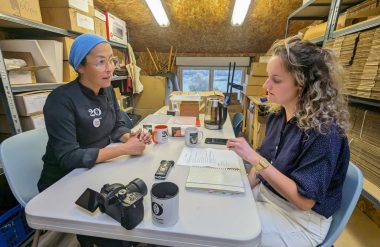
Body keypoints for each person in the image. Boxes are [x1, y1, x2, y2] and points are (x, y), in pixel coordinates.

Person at [227, 37, 350, 247]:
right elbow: (263, 165)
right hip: (270, 195)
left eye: (276, 79)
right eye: (268, 77)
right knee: (220, 204)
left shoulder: (325, 132)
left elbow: (304, 201)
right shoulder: (278, 116)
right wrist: (244, 188)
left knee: (229, 231)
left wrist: (254, 158)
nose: (266, 85)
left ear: (303, 84)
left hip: (300, 220)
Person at [37, 34, 151, 247]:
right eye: (101, 62)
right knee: (114, 229)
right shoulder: (61, 100)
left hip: (95, 170)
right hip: (63, 180)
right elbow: (68, 157)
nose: (110, 68)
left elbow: (117, 124)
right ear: (80, 66)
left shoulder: (106, 89)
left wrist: (130, 137)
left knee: (131, 207)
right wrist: (124, 149)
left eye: (112, 60)